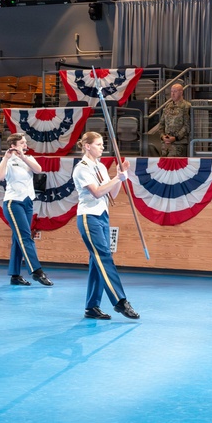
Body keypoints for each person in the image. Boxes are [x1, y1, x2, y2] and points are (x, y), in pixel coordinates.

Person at [72, 131, 139, 320]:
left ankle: (92, 307)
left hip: (103, 216)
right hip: (88, 217)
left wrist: (119, 176)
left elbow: (111, 194)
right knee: (104, 257)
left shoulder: (100, 166)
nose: (102, 147)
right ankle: (120, 301)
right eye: (99, 144)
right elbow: (96, 192)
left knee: (97, 262)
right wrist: (117, 178)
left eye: (102, 144)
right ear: (87, 146)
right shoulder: (82, 168)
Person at [0, 133, 53, 287]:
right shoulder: (7, 161)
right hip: (13, 203)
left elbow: (38, 169)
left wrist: (23, 157)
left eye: (25, 142)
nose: (25, 145)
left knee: (18, 238)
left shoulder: (28, 159)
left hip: (27, 202)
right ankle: (36, 271)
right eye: (22, 143)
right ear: (13, 145)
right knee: (25, 237)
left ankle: (15, 275)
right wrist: (7, 158)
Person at [160, 83, 192, 157]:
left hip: (179, 143)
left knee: (173, 165)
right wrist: (162, 136)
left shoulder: (186, 106)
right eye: (171, 91)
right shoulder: (168, 106)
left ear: (181, 92)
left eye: (175, 91)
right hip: (165, 144)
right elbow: (161, 124)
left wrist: (175, 138)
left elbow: (187, 126)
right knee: (163, 165)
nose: (172, 94)